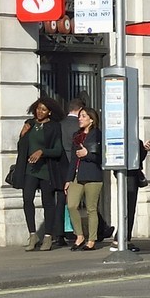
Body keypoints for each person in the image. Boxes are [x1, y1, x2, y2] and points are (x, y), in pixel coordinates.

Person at [14, 95, 66, 250]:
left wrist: (42, 152)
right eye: (38, 108)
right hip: (30, 169)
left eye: (44, 109)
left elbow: (57, 150)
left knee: (48, 202)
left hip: (46, 170)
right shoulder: (29, 124)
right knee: (27, 199)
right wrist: (22, 135)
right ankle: (32, 234)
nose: (40, 112)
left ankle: (48, 236)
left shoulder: (54, 127)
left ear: (49, 112)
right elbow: (21, 148)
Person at [65, 104, 105, 251]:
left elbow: (101, 157)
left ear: (91, 119)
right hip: (77, 175)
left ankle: (91, 240)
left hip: (92, 175)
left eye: (83, 116)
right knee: (71, 205)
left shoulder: (98, 135)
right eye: (79, 116)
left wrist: (87, 154)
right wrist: (68, 179)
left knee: (91, 209)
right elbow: (73, 159)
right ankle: (79, 235)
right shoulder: (77, 135)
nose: (80, 119)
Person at [122, 128, 150, 252]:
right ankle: (122, 238)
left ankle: (123, 238)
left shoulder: (135, 141)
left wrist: (144, 149)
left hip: (130, 176)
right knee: (128, 207)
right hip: (129, 177)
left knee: (128, 208)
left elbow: (139, 159)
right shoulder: (132, 140)